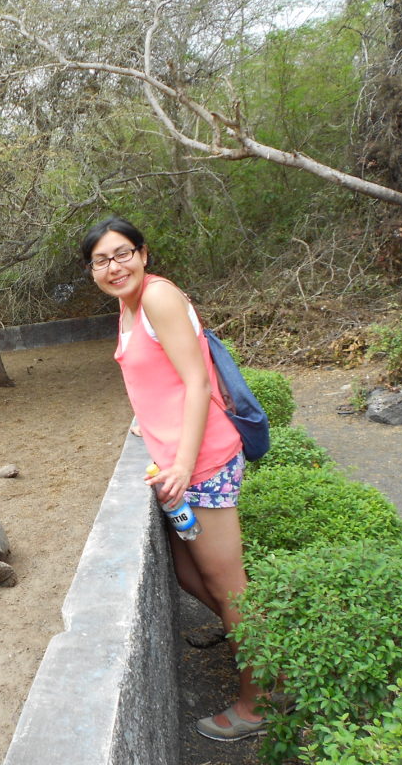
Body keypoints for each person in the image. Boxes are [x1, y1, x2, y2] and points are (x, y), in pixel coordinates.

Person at [80, 216, 266, 742]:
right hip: (177, 463)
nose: (113, 267)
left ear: (143, 253)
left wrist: (182, 461)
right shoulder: (127, 303)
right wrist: (151, 423)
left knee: (231, 591)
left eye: (122, 254)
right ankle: (263, 645)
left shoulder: (158, 297)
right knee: (190, 575)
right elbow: (155, 376)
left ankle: (260, 700)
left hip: (201, 464)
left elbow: (196, 378)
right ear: (91, 270)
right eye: (101, 260)